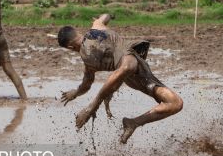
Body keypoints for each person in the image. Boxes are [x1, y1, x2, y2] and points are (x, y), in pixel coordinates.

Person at [57, 14, 183, 144]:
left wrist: (75, 93)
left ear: (70, 48)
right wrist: (105, 16)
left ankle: (132, 122)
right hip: (130, 68)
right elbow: (105, 17)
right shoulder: (97, 27)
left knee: (175, 103)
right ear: (77, 32)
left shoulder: (88, 62)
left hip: (132, 75)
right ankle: (103, 107)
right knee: (175, 102)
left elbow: (86, 85)